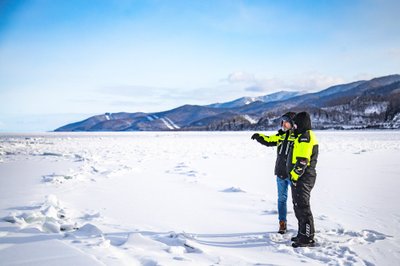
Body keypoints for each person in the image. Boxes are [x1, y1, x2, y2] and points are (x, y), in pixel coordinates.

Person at [251, 112, 296, 234]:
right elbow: (269, 140)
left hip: (294, 175)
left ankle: (302, 225)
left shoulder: (297, 138)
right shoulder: (281, 136)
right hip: (280, 173)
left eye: (285, 122)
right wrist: (259, 136)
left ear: (292, 124)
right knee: (281, 200)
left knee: (298, 201)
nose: (283, 125)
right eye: (282, 122)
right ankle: (282, 223)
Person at [288, 111, 319, 248]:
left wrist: (294, 176)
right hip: (301, 178)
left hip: (303, 178)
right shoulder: (301, 136)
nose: (293, 127)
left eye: (295, 124)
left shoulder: (305, 138)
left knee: (303, 208)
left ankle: (307, 238)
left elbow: (302, 161)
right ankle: (302, 233)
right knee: (298, 207)